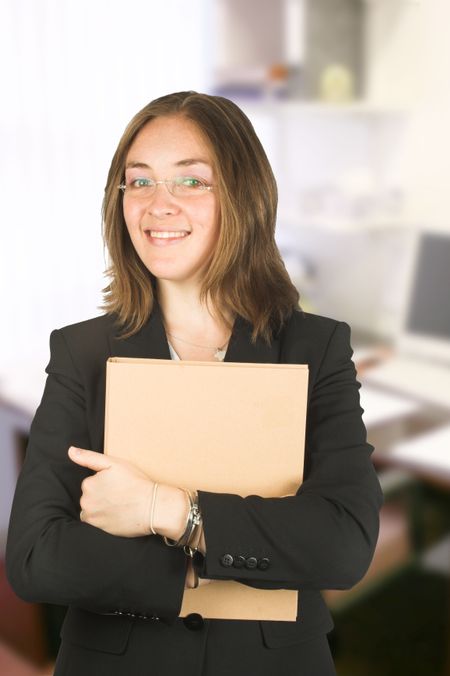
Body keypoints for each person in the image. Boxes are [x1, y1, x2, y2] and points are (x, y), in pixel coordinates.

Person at [6, 91, 383, 675]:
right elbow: (35, 557)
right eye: (139, 182)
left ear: (244, 196)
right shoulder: (81, 352)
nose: (159, 205)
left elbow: (342, 544)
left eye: (191, 182)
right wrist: (230, 555)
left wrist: (168, 511)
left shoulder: (315, 348)